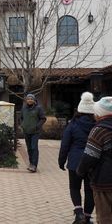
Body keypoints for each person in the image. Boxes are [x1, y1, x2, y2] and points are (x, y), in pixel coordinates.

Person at [58, 92, 95, 224]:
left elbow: (65, 144)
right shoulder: (97, 125)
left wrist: (61, 161)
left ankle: (79, 214)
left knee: (74, 187)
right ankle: (87, 216)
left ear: (79, 109)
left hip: (75, 162)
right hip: (92, 162)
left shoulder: (72, 124)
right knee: (90, 190)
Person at [77, 96, 112, 224]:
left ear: (99, 113)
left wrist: (80, 171)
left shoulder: (99, 130)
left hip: (104, 181)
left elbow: (89, 157)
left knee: (105, 217)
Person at [20, 93, 46, 172]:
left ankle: (34, 165)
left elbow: (43, 118)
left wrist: (37, 126)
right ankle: (31, 163)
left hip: (35, 132)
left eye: (31, 99)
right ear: (26, 100)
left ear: (34, 100)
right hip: (26, 131)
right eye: (28, 99)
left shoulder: (38, 108)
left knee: (34, 147)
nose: (30, 100)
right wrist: (22, 125)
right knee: (29, 148)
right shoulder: (24, 108)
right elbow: (21, 118)